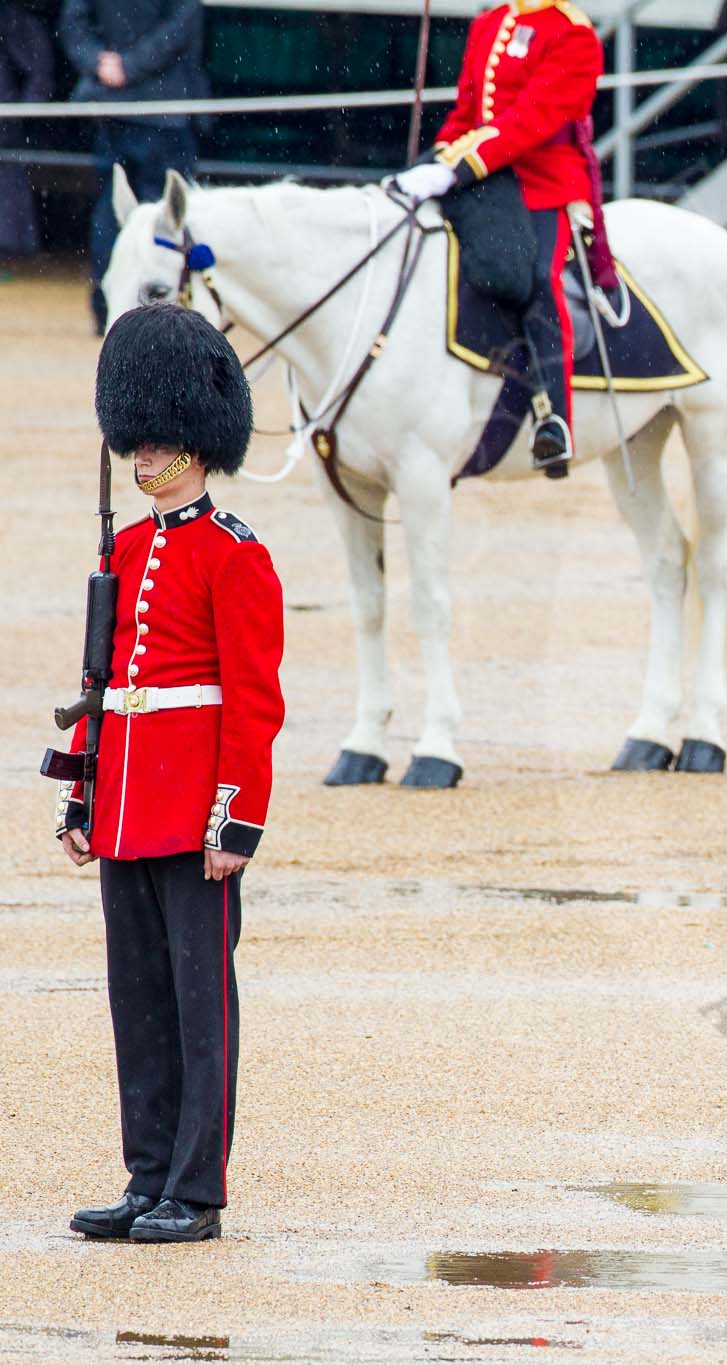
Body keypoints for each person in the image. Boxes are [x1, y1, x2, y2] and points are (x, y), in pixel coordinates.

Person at [54, 303, 286, 1244]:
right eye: (134, 445)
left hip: (194, 810)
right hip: (125, 807)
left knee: (201, 1006)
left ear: (192, 445)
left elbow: (254, 701)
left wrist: (234, 821)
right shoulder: (129, 548)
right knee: (137, 1001)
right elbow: (99, 687)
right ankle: (147, 1173)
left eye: (152, 446)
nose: (138, 461)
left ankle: (197, 1187)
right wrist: (80, 794)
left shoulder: (236, 554)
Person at [391, 0, 602, 471]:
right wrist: (441, 157)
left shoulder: (572, 33)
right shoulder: (492, 22)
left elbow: (530, 119)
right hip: (486, 177)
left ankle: (554, 419)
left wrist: (459, 167)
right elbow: (467, 110)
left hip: (543, 182)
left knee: (540, 281)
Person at [57, 0, 205, 331]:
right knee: (157, 215)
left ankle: (110, 304)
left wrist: (103, 63)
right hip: (159, 106)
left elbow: (74, 22)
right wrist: (130, 65)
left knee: (114, 209)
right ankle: (152, 308)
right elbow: (183, 23)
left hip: (116, 104)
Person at [0, 3, 56, 257]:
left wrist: (26, 111)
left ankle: (12, 250)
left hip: (6, 120)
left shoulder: (13, 19)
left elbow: (40, 71)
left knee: (9, 179)